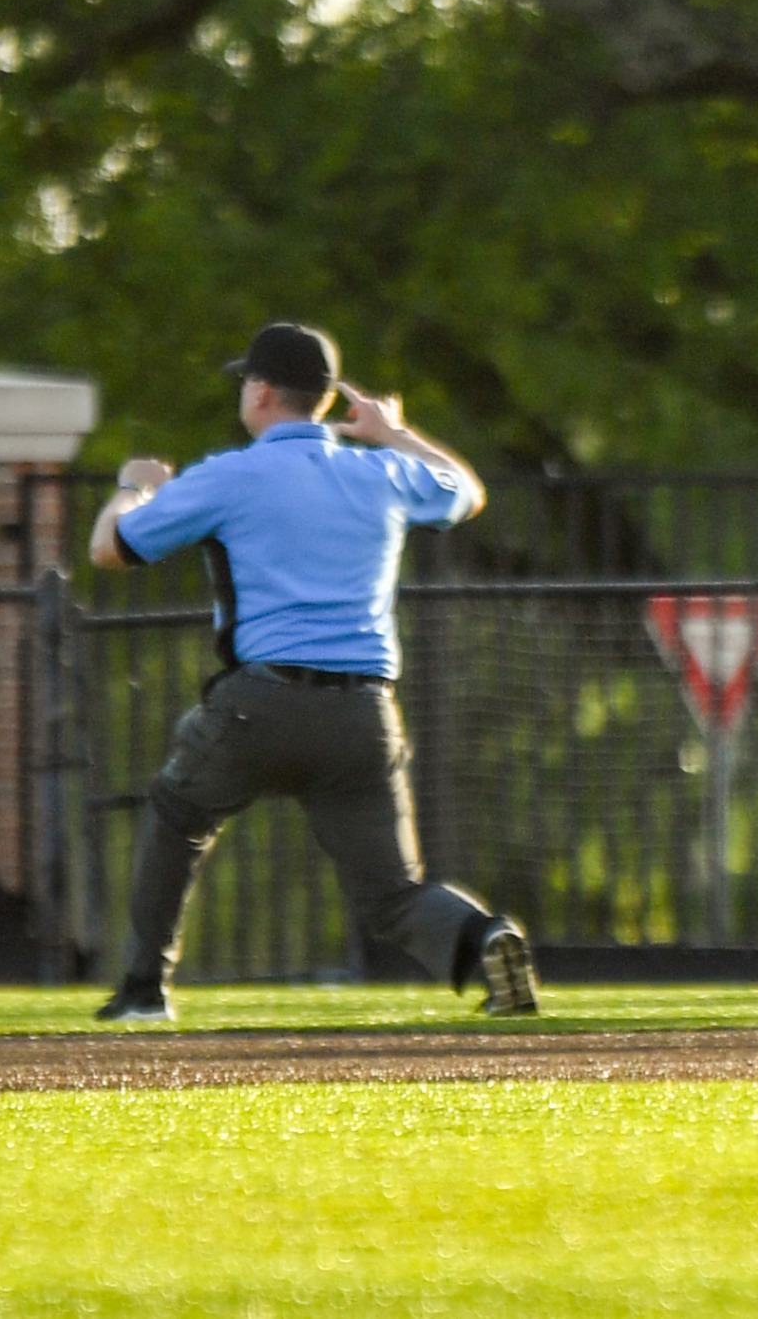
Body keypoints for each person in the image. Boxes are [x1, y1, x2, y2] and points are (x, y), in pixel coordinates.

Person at [86, 322, 538, 1022]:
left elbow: (112, 550)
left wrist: (132, 489)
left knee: (179, 814)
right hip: (362, 715)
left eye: (246, 381)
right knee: (391, 893)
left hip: (260, 704)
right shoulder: (380, 473)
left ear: (262, 392)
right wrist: (393, 432)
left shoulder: (230, 474)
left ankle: (144, 992)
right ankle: (486, 940)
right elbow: (465, 491)